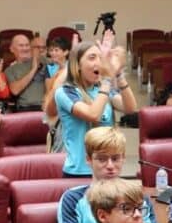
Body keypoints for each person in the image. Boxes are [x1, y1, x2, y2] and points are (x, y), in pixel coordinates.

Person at [58, 126, 170, 223]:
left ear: (123, 158)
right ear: (88, 159)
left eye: (115, 158)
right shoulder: (72, 198)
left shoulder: (139, 198)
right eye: (102, 159)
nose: (110, 166)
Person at [53, 33, 137, 178]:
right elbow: (93, 115)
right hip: (79, 172)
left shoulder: (102, 90)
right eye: (92, 58)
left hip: (108, 170)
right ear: (77, 65)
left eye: (100, 57)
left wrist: (118, 74)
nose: (98, 62)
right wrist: (107, 79)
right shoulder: (65, 91)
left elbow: (130, 108)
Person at [42, 35, 73, 153]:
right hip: (53, 109)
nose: (53, 53)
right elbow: (49, 90)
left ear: (66, 52)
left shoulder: (71, 68)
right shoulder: (50, 68)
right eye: (51, 50)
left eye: (56, 50)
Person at [6, 34, 48, 112]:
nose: (25, 48)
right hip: (25, 108)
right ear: (12, 49)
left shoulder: (43, 60)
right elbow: (15, 91)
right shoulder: (10, 70)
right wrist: (34, 69)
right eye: (21, 46)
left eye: (27, 45)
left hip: (46, 106)